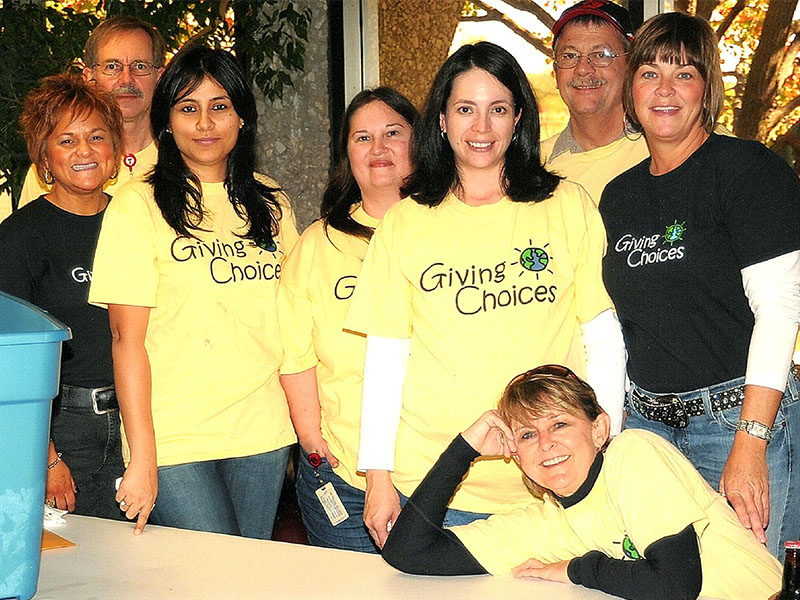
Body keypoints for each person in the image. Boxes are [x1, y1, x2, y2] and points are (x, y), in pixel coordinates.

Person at [344, 41, 626, 548]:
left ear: (518, 118)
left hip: (554, 484)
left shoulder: (567, 205)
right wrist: (378, 478)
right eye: (465, 109)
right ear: (443, 121)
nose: (481, 127)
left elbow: (602, 338)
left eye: (497, 109)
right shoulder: (405, 224)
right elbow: (385, 358)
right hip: (433, 485)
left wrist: (605, 447)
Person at [600, 12, 800, 559]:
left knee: (746, 581)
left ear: (707, 89)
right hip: (647, 428)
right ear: (630, 89)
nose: (664, 90)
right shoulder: (617, 197)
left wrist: (750, 441)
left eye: (684, 73)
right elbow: (623, 324)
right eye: (649, 73)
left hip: (734, 422)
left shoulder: (749, 171)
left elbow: (780, 312)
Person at [88, 45, 299, 537]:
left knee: (248, 579)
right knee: (211, 578)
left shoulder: (272, 203)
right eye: (188, 107)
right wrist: (142, 455)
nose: (205, 123)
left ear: (242, 116)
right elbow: (126, 340)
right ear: (166, 121)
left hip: (261, 431)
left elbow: (292, 327)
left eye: (219, 105)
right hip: (175, 436)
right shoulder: (137, 204)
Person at [381, 365, 782, 600]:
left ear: (599, 429)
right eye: (526, 435)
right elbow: (409, 554)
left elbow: (675, 585)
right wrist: (463, 449)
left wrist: (577, 569)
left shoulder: (633, 455)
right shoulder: (544, 523)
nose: (546, 443)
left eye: (559, 424)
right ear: (514, 454)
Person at [278, 88, 418, 553]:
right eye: (363, 138)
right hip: (345, 473)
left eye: (393, 134)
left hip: (439, 472)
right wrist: (313, 442)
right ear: (347, 155)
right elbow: (295, 353)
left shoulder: (448, 229)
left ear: (419, 143)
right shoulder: (318, 244)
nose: (378, 149)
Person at [0, 74, 124, 518]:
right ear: (44, 157)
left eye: (96, 136)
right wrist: (46, 456)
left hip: (143, 420)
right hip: (66, 429)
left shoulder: (139, 223)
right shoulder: (20, 236)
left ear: (115, 149)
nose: (85, 151)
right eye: (67, 140)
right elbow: (11, 360)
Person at [17, 16, 165, 208]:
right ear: (89, 77)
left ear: (159, 77)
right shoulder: (57, 167)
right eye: (112, 67)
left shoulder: (185, 158)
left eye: (140, 66)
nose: (126, 79)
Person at [540, 0, 649, 204]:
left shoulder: (668, 149)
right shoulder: (533, 168)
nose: (583, 68)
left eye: (601, 55)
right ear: (555, 72)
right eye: (569, 56)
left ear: (631, 66)